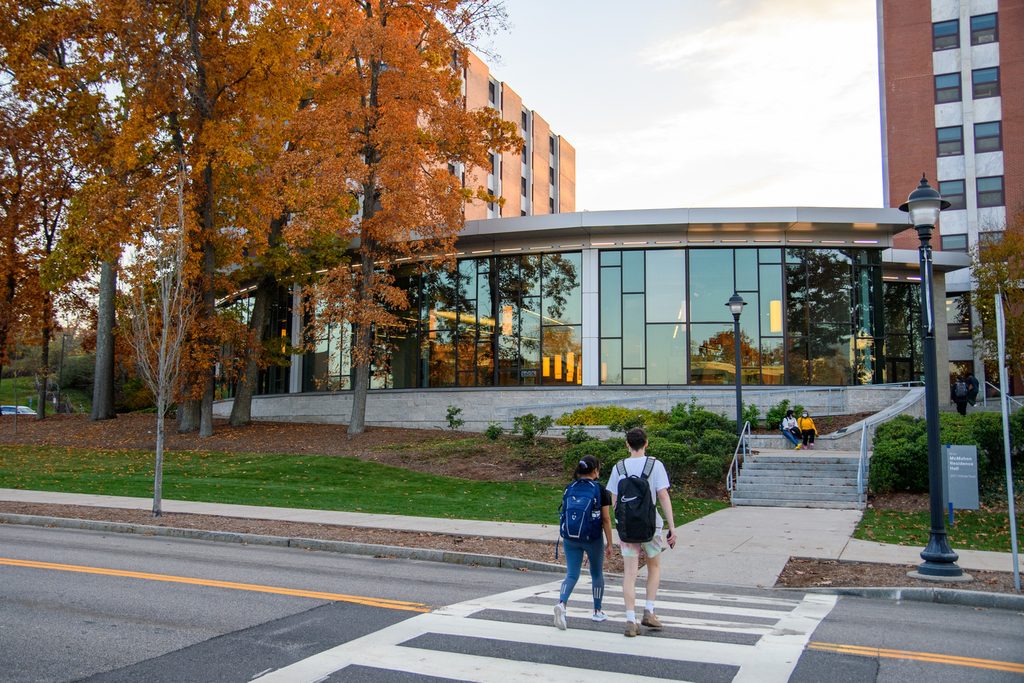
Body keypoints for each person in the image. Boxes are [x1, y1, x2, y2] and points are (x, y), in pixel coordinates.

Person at [607, 427, 676, 638]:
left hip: (628, 530)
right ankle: (649, 610)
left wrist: (620, 522)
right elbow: (662, 496)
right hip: (651, 528)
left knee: (629, 574)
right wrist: (672, 527)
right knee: (654, 567)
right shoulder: (655, 465)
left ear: (627, 444)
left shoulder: (619, 468)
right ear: (646, 443)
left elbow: (615, 500)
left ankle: (630, 619)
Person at [554, 455, 613, 629]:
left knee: (572, 574)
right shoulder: (600, 490)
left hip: (570, 537)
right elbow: (606, 519)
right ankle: (597, 611)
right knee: (596, 573)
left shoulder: (569, 487)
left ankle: (562, 604)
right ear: (595, 471)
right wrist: (610, 543)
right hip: (592, 537)